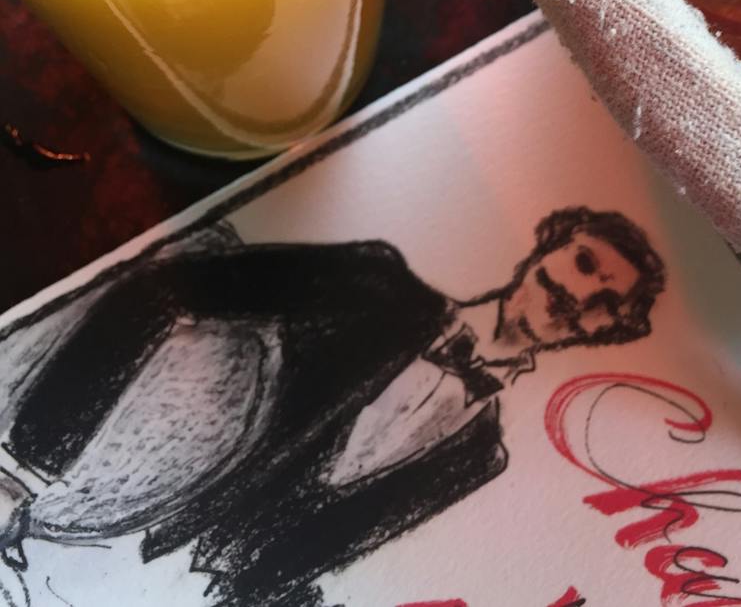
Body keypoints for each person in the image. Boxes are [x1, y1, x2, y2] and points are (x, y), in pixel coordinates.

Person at [0, 207, 664, 607]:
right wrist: (24, 468)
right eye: (583, 263)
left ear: (604, 332)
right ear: (548, 244)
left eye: (607, 304)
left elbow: (314, 552)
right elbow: (162, 290)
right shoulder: (373, 283)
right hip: (76, 507)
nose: (579, 296)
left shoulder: (480, 454)